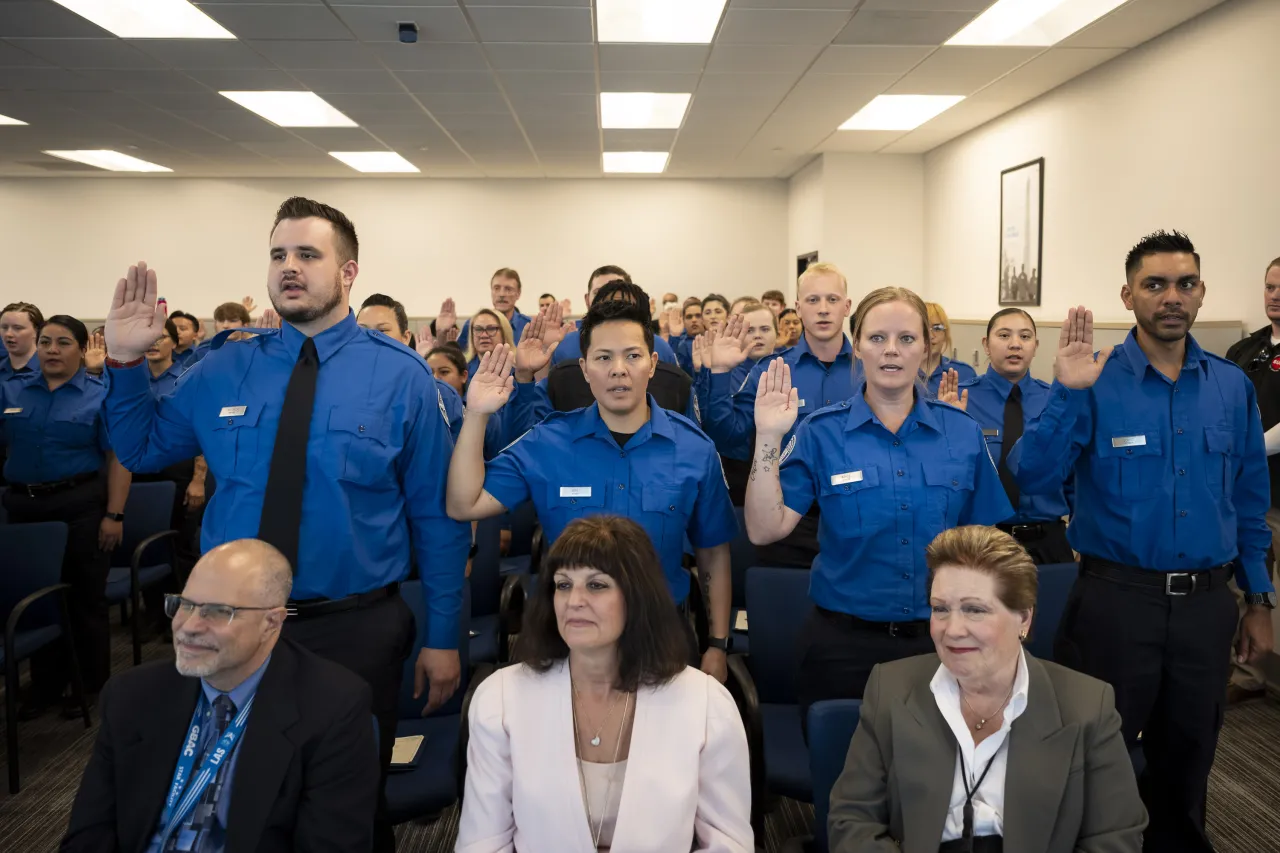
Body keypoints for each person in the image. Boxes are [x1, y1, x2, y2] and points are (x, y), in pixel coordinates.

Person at [99, 196, 470, 852]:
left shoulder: (402, 377)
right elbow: (142, 447)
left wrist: (443, 637)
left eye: (307, 254)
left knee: (350, 809)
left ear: (348, 271)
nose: (288, 267)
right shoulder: (221, 367)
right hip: (231, 623)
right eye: (278, 254)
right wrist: (124, 363)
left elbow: (437, 519)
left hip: (353, 626)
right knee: (234, 798)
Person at [1009, 230, 1275, 853]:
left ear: (1202, 293)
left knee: (1188, 763)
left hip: (1206, 608)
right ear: (1128, 295)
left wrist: (1258, 599)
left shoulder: (1231, 386)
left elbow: (1248, 502)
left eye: (1185, 283)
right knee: (1093, 759)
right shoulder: (1093, 379)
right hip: (1113, 604)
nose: (1171, 297)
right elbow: (1032, 477)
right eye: (1155, 285)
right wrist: (1067, 393)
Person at [745, 287, 1013, 723]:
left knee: (936, 782)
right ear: (857, 346)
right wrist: (768, 438)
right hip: (843, 647)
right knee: (844, 778)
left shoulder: (962, 433)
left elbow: (989, 547)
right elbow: (763, 529)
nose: (891, 351)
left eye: (906, 339)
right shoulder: (820, 432)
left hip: (944, 643)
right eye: (877, 338)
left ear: (926, 347)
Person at [446, 296, 739, 681]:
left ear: (652, 365)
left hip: (661, 635)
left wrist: (717, 646)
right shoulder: (548, 442)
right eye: (603, 358)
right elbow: (463, 503)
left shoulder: (694, 449)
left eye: (632, 356)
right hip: (567, 635)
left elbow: (713, 553)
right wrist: (477, 414)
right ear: (585, 369)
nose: (619, 370)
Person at [828, 525, 1146, 853]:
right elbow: (852, 818)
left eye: (974, 610)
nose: (952, 630)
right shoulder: (890, 687)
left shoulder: (1088, 705)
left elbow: (1115, 838)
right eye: (940, 609)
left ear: (1023, 618)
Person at [61, 539, 381, 853]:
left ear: (271, 623)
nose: (189, 626)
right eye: (185, 605)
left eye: (217, 612)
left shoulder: (332, 707)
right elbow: (89, 834)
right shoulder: (132, 695)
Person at [456, 515, 753, 853]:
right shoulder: (501, 699)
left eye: (596, 585)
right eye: (563, 584)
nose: (574, 600)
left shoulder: (706, 705)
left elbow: (728, 844)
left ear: (637, 597)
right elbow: (482, 842)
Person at [1, 314, 132, 718]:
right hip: (23, 506)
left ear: (82, 348)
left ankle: (89, 686)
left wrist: (114, 514)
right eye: (45, 342)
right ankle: (44, 686)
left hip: (78, 506)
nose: (52, 350)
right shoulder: (13, 391)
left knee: (82, 598)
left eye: (62, 343)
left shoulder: (99, 394)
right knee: (32, 599)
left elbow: (119, 459)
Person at [704, 263, 858, 566]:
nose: (823, 309)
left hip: (856, 519)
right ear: (798, 308)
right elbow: (727, 436)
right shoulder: (770, 370)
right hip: (786, 519)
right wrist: (720, 373)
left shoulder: (869, 371)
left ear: (847, 306)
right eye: (813, 301)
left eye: (832, 300)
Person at [942, 309, 1073, 564]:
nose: (1015, 344)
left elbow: (1075, 474)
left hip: (1047, 540)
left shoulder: (1054, 402)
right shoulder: (960, 400)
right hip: (980, 541)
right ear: (986, 345)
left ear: (1035, 346)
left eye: (1025, 336)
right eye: (1004, 335)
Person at [1223, 255, 1280, 702]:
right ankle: (1245, 673)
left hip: (1276, 487)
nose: (1274, 295)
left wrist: (1244, 447)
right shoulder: (1246, 350)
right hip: (1240, 490)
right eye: (1269, 286)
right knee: (1242, 580)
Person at [692, 302, 778, 503]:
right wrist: (708, 370)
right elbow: (716, 428)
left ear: (777, 332)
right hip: (738, 473)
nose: (758, 335)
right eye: (750, 330)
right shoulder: (725, 373)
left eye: (765, 329)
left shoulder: (790, 367)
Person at [552, 268, 679, 367]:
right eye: (600, 292)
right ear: (587, 299)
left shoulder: (660, 347)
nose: (610, 299)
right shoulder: (565, 346)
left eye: (618, 291)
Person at [457, 267, 531, 350]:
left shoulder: (529, 326)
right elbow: (459, 358)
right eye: (496, 288)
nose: (502, 294)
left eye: (508, 289)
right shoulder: (473, 325)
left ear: (518, 293)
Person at [923, 302, 976, 397]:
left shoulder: (964, 373)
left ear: (945, 333)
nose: (930, 336)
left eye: (937, 328)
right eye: (923, 328)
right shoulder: (901, 374)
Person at [465, 306, 515, 378]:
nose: (484, 335)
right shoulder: (462, 370)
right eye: (478, 329)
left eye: (491, 329)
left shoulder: (518, 371)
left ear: (504, 333)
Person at [1, 300, 42, 383]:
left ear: (37, 331)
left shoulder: (50, 372)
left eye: (17, 328)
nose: (8, 334)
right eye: (4, 327)